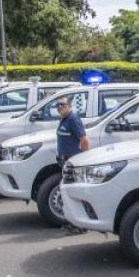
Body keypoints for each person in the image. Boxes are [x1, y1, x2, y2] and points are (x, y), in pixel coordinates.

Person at [55, 97, 90, 233]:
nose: (60, 107)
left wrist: (85, 159)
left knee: (73, 193)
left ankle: (80, 226)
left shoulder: (73, 119)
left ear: (69, 106)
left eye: (63, 105)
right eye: (58, 105)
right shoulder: (63, 119)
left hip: (74, 162)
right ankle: (72, 223)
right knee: (66, 193)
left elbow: (84, 140)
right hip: (65, 161)